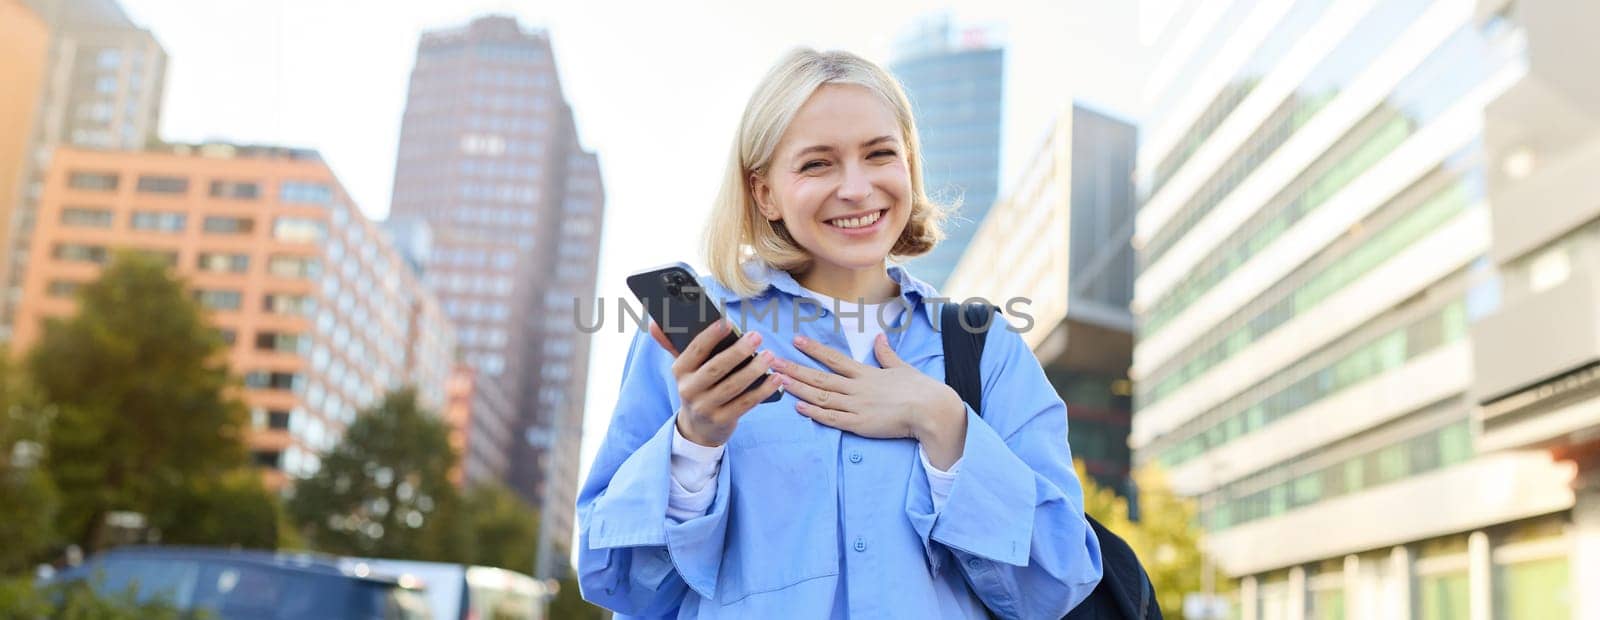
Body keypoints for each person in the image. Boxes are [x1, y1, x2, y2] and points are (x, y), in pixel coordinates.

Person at [577, 47, 1103, 619]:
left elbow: (1058, 581)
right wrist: (694, 443)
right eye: (817, 164)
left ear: (908, 164)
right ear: (764, 192)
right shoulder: (698, 344)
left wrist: (945, 425)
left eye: (880, 154)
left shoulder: (986, 348)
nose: (856, 188)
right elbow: (618, 581)